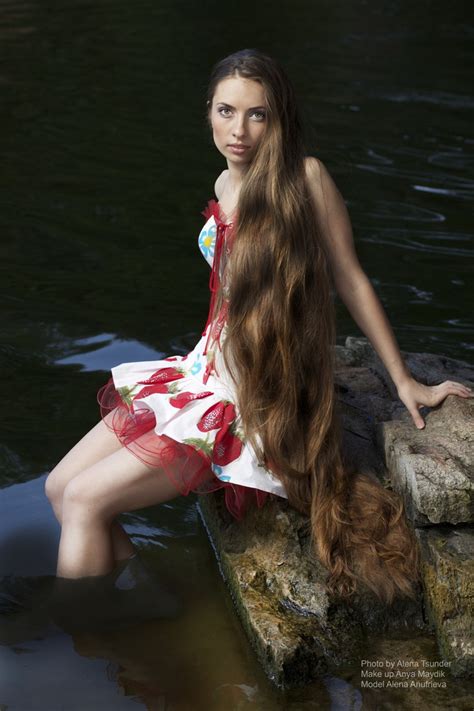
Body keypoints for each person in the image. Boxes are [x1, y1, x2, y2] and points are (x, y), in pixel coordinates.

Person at [45, 48, 472, 607]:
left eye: (257, 115)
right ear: (208, 112)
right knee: (60, 488)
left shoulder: (305, 179)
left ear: (281, 118)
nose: (238, 130)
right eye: (226, 111)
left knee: (83, 501)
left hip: (255, 405)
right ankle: (136, 602)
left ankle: (79, 637)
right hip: (202, 376)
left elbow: (351, 278)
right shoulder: (224, 184)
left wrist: (405, 382)